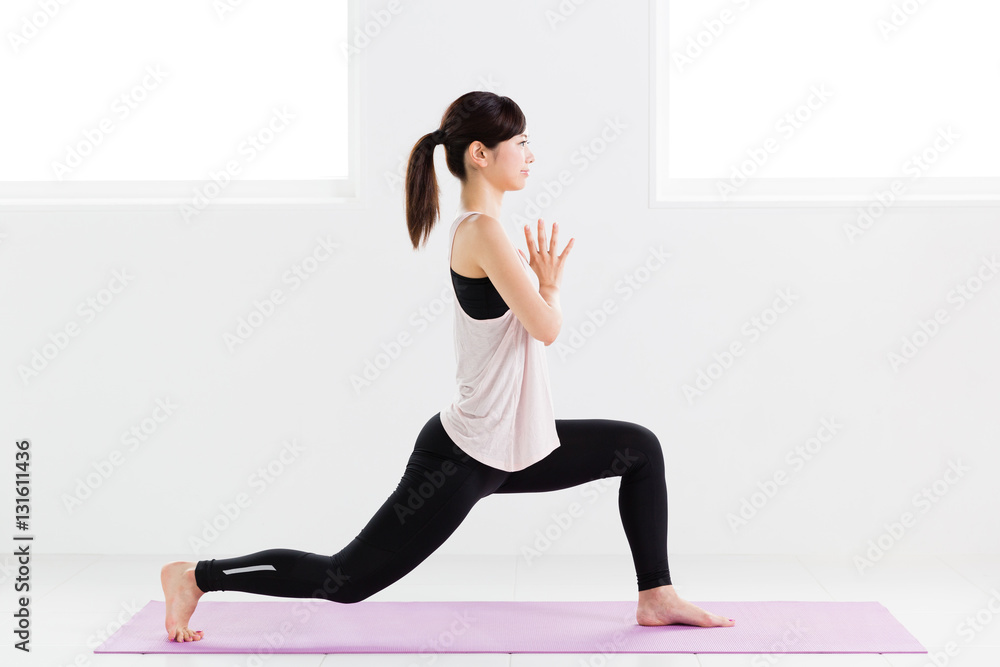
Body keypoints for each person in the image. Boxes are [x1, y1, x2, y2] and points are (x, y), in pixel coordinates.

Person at [160, 91, 735, 642]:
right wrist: (552, 286)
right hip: (461, 455)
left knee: (638, 449)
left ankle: (655, 594)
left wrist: (542, 287)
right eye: (521, 142)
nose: (531, 155)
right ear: (481, 154)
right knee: (346, 580)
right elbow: (548, 327)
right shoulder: (481, 231)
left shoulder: (489, 232)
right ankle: (197, 576)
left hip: (514, 443)